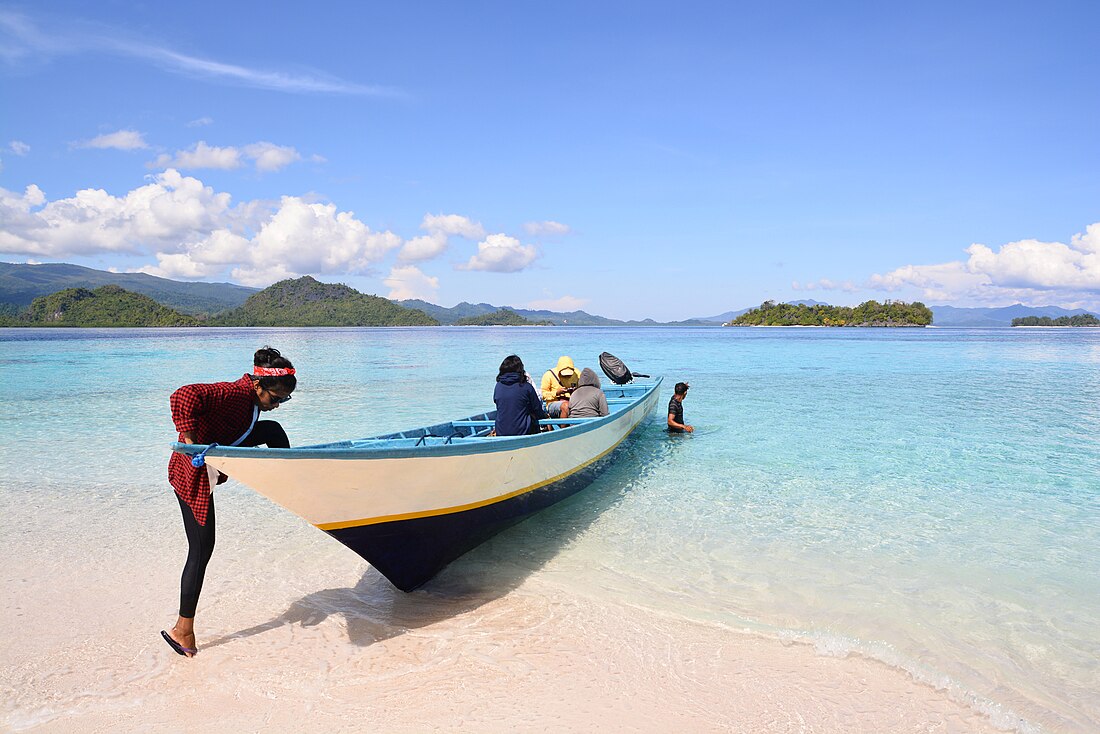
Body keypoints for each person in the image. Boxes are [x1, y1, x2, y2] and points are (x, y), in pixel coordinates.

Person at [161, 346, 297, 658]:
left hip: (212, 458)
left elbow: (253, 428)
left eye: (284, 400)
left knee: (272, 430)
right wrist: (190, 439)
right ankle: (183, 629)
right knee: (201, 549)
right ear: (258, 386)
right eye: (274, 398)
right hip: (191, 475)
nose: (277, 404)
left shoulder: (251, 401)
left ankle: (291, 478)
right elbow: (183, 395)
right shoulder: (236, 393)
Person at [495, 354, 549, 436]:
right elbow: (537, 409)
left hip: (501, 432)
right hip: (523, 432)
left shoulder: (498, 386)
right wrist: (545, 417)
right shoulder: (526, 387)